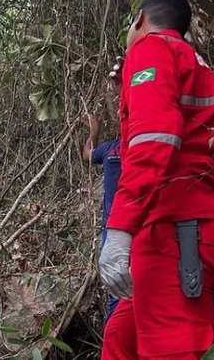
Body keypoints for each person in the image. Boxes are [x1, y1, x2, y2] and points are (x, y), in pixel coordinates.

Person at [98, 0, 214, 360]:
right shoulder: (194, 62)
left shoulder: (149, 48)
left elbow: (153, 140)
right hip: (205, 230)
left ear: (140, 20)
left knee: (171, 348)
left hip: (176, 233)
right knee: (121, 338)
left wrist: (119, 231)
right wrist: (128, 92)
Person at [82, 114, 121, 318]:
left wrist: (94, 131)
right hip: (130, 225)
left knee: (116, 288)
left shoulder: (110, 149)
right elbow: (88, 155)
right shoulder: (145, 147)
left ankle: (113, 340)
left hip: (114, 226)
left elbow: (87, 154)